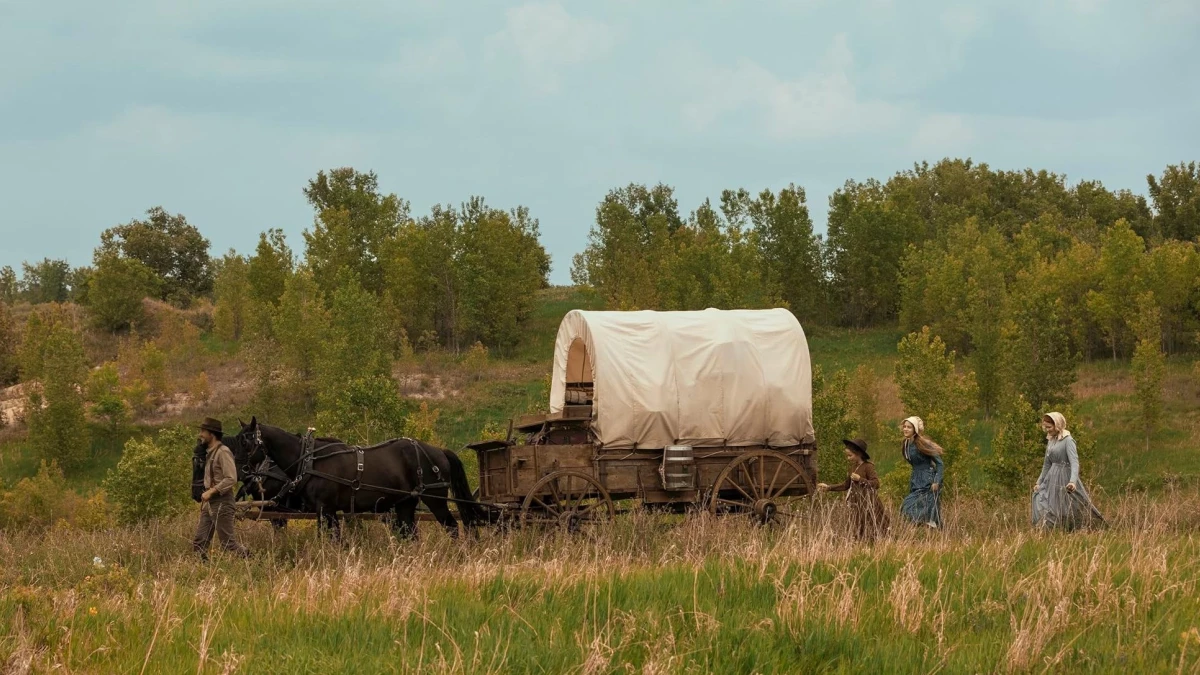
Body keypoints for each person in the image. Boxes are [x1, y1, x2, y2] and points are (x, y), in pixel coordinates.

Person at [1031, 412, 1105, 530]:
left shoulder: (1068, 440)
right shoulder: (1051, 440)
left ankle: (1086, 527)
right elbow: (1046, 464)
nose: (1047, 430)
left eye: (1049, 427)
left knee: (1070, 505)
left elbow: (1074, 462)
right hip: (1051, 478)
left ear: (1057, 425)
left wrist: (1072, 481)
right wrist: (1039, 482)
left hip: (1064, 476)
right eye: (1046, 427)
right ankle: (1051, 530)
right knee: (1045, 502)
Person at [192, 417, 249, 560]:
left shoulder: (223, 452)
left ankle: (254, 561)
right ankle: (202, 573)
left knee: (228, 545)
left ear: (212, 434)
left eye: (203, 432)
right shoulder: (209, 452)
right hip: (210, 503)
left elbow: (231, 478)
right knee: (199, 542)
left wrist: (211, 491)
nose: (201, 435)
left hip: (222, 502)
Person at [818, 438, 889, 542]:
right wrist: (828, 487)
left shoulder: (868, 467)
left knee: (875, 527)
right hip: (856, 503)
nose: (848, 458)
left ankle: (878, 546)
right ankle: (860, 546)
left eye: (850, 455)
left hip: (868, 503)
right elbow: (846, 485)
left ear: (859, 453)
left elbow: (876, 484)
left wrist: (860, 479)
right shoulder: (852, 467)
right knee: (857, 528)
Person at [899, 416, 944, 529]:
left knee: (926, 509)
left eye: (909, 427)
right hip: (916, 479)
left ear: (915, 429)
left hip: (928, 480)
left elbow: (939, 463)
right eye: (904, 426)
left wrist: (936, 481)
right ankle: (921, 532)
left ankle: (931, 534)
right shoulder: (905, 444)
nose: (905, 429)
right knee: (908, 507)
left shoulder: (922, 443)